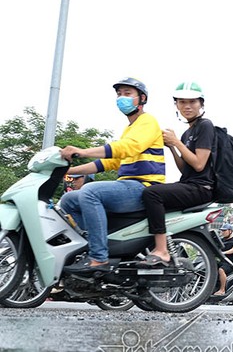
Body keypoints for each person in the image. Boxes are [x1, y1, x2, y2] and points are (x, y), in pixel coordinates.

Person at [59, 77, 166, 274]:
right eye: (119, 94)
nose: (121, 98)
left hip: (143, 186)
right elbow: (112, 162)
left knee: (90, 191)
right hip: (127, 186)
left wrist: (83, 151)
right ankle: (92, 245)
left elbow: (128, 147)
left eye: (127, 94)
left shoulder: (148, 122)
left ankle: (99, 258)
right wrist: (69, 171)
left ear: (141, 99)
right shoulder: (130, 128)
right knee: (68, 199)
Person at [139, 82, 215, 267]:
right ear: (176, 105)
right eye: (182, 102)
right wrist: (173, 147)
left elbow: (199, 164)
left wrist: (176, 143)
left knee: (152, 194)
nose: (187, 107)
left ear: (201, 104)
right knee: (149, 189)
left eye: (192, 102)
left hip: (202, 187)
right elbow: (185, 169)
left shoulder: (205, 126)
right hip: (190, 183)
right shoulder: (187, 133)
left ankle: (162, 250)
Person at [214, 223, 233, 296]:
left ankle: (222, 290)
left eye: (224, 231)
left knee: (221, 270)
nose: (223, 232)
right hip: (222, 262)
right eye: (222, 231)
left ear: (230, 231)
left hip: (230, 263)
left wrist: (223, 253)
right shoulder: (221, 240)